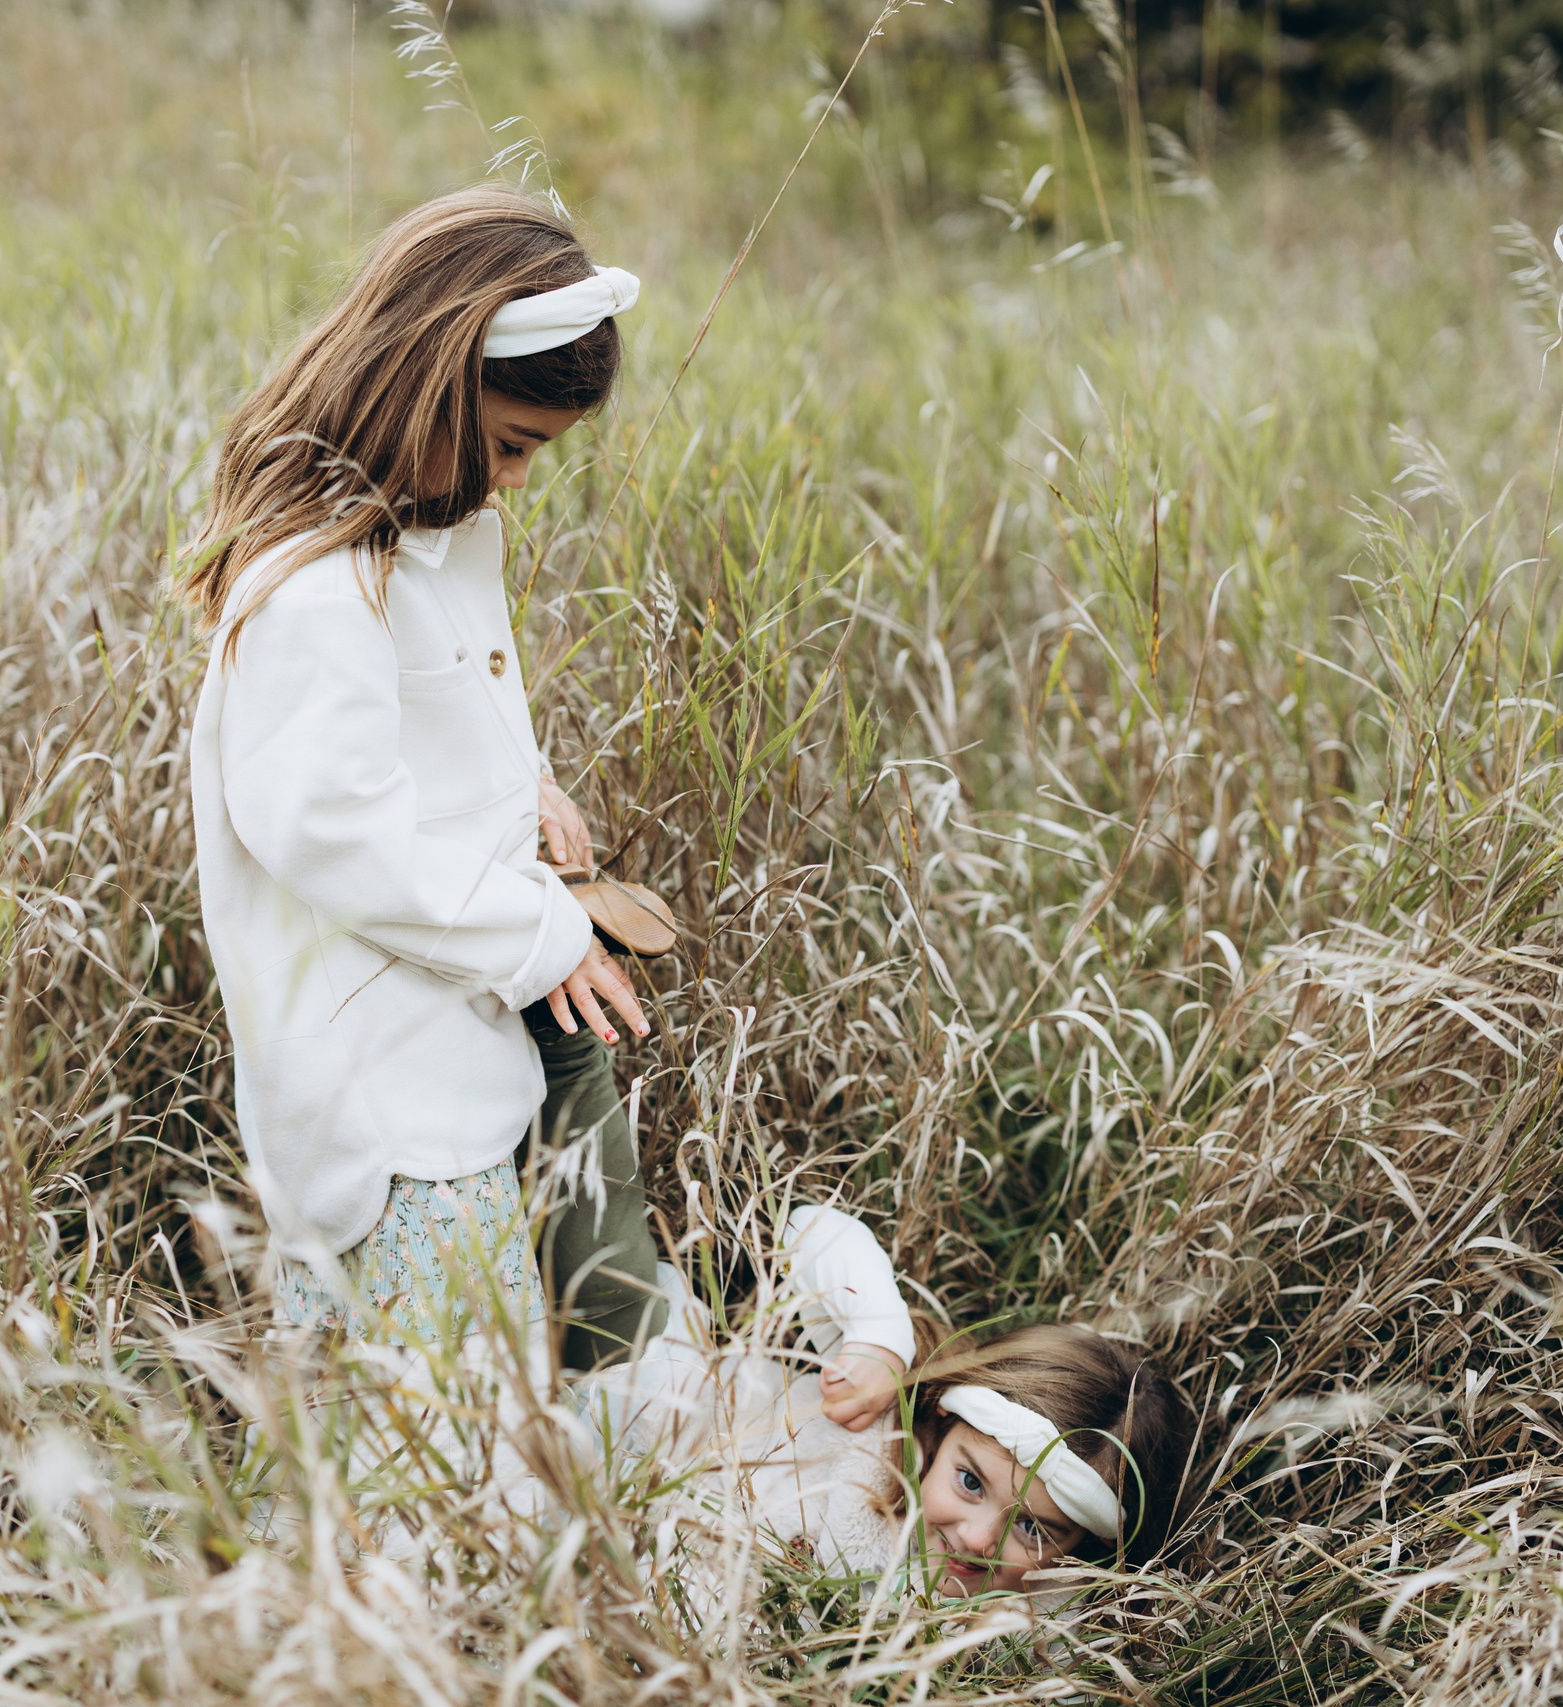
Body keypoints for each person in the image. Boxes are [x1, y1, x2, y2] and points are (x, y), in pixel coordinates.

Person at [181, 185, 664, 1365]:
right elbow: (332, 826)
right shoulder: (318, 587)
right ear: (424, 386)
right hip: (379, 1088)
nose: (519, 480)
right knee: (423, 1409)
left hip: (451, 1057)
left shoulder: (432, 538)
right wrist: (544, 934)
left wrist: (522, 782)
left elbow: (436, 708)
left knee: (487, 1378)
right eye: (511, 445)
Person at [582, 1207, 1196, 1601]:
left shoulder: (1032, 1623)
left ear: (1085, 1548)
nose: (978, 1538)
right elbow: (809, 1229)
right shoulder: (880, 1425)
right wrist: (880, 1340)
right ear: (945, 1422)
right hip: (653, 1426)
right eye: (970, 1482)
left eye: (1033, 1528)